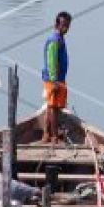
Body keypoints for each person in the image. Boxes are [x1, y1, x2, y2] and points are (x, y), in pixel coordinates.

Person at [41, 11, 72, 143]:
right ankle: (53, 136)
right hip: (53, 79)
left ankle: (46, 135)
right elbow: (51, 61)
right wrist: (54, 81)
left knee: (51, 107)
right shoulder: (54, 40)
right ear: (57, 24)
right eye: (64, 25)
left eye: (68, 25)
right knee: (53, 108)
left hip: (58, 78)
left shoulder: (60, 38)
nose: (66, 28)